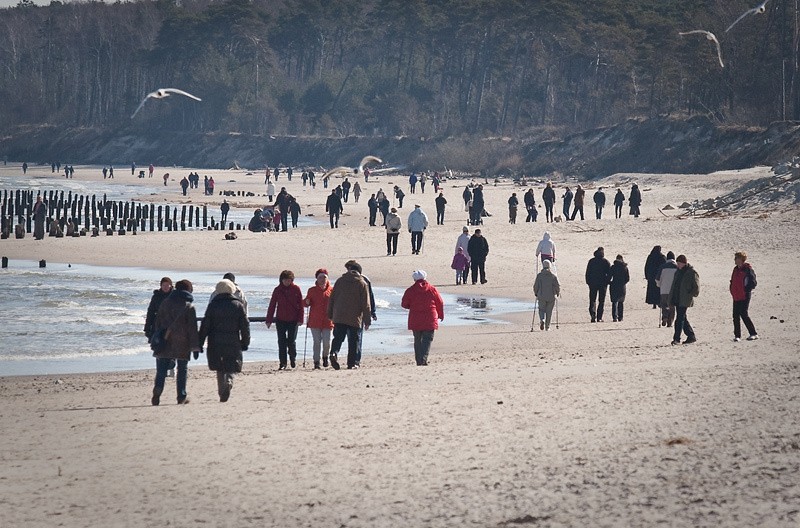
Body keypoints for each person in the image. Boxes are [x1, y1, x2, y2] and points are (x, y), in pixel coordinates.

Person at [199, 279, 250, 402]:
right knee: (231, 366)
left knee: (219, 367)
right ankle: (229, 381)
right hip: (233, 340)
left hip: (215, 341)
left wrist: (199, 341)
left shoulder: (213, 305)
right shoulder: (238, 305)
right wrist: (245, 341)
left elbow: (205, 325)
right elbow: (244, 326)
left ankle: (222, 391)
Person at [151, 279, 200, 405]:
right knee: (182, 370)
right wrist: (195, 347)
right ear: (188, 290)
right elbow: (193, 329)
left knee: (161, 370)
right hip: (183, 343)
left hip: (166, 341)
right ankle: (181, 396)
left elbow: (158, 323)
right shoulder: (189, 306)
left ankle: (158, 390)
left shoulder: (165, 302)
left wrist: (157, 337)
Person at [327, 262, 372, 370]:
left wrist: (330, 314)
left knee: (338, 337)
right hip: (354, 317)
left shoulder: (340, 281)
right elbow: (365, 304)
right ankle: (351, 363)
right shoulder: (361, 283)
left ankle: (334, 353)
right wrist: (367, 320)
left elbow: (332, 298)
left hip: (339, 315)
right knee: (353, 341)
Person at [401, 270, 444, 366]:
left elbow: (404, 304)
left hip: (415, 318)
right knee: (427, 340)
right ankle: (423, 359)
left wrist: (411, 306)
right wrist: (440, 314)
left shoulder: (410, 290)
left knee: (417, 340)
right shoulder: (432, 289)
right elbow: (440, 302)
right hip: (430, 318)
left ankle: (419, 360)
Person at [265, 270, 304, 369]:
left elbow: (301, 306)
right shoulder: (277, 290)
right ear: (281, 280)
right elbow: (272, 305)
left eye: (289, 280)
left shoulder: (296, 289)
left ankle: (292, 358)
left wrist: (300, 319)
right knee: (281, 342)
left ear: (292, 280)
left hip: (293, 320)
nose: (287, 282)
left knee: (291, 341)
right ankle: (283, 363)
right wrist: (269, 319)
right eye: (285, 280)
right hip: (281, 320)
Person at [305, 269, 334, 369]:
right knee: (316, 342)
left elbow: (336, 304)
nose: (322, 279)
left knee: (327, 342)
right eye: (320, 277)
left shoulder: (332, 290)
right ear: (317, 279)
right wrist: (306, 302)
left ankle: (325, 357)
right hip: (315, 321)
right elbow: (305, 303)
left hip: (328, 321)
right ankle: (316, 361)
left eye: (324, 277)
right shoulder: (312, 290)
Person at [669, 254, 699, 345]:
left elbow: (696, 287)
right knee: (683, 318)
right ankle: (691, 336)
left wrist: (690, 293)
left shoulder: (691, 272)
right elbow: (674, 285)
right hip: (677, 298)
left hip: (685, 299)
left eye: (679, 263)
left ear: (684, 263)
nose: (678, 265)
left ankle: (676, 339)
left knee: (679, 319)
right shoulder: (677, 272)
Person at [730, 251, 759, 342]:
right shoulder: (735, 269)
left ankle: (753, 333)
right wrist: (732, 289)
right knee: (735, 315)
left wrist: (746, 290)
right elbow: (732, 281)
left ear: (741, 259)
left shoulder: (748, 269)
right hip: (736, 295)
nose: (735, 260)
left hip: (745, 295)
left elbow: (753, 282)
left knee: (744, 313)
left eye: (736, 258)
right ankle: (737, 336)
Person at [144, 277, 174, 346]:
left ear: (171, 286)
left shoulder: (175, 296)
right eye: (163, 285)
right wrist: (147, 328)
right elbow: (150, 312)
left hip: (171, 325)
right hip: (158, 324)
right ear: (161, 286)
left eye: (167, 285)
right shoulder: (156, 296)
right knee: (158, 347)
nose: (165, 287)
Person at [585, 247, 611, 322]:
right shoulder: (605, 262)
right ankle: (599, 317)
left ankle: (593, 315)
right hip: (603, 284)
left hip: (592, 283)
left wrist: (588, 282)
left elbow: (588, 272)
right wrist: (607, 281)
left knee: (592, 300)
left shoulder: (591, 261)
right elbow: (609, 273)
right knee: (601, 301)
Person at [533, 259, 560, 330]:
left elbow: (536, 286)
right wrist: (557, 293)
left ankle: (542, 319)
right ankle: (547, 327)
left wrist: (536, 293)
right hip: (551, 296)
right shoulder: (553, 276)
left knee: (541, 309)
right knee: (549, 311)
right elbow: (557, 286)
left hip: (541, 295)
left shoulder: (539, 276)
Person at [656, 251, 678, 327]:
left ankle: (665, 316)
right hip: (673, 291)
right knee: (672, 306)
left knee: (664, 305)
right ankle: (670, 321)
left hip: (664, 289)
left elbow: (657, 279)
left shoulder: (662, 267)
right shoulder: (677, 267)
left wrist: (659, 285)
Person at [609, 254, 630, 322]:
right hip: (622, 286)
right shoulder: (625, 267)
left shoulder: (613, 267)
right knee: (621, 302)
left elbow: (609, 277)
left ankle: (615, 317)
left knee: (614, 302)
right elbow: (627, 278)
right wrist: (623, 283)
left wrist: (610, 283)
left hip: (614, 285)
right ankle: (620, 317)